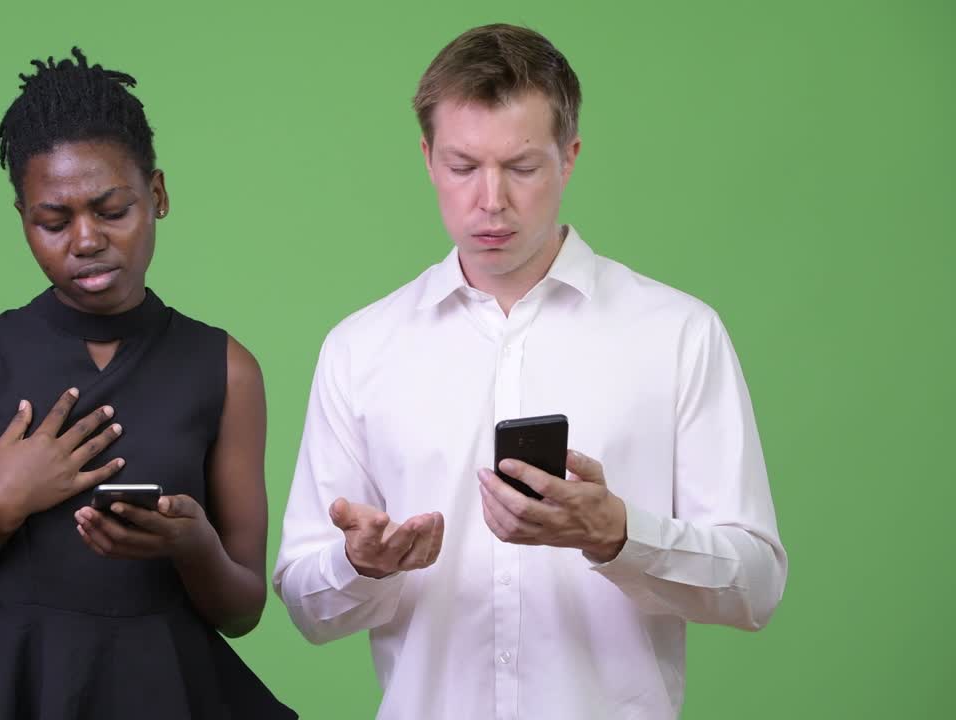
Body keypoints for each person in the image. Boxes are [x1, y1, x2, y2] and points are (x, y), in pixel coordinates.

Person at [273, 24, 787, 719]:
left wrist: (620, 534)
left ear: (568, 158)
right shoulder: (359, 350)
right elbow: (307, 608)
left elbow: (756, 587)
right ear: (427, 158)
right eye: (462, 166)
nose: (491, 200)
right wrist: (360, 565)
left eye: (521, 167)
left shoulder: (678, 334)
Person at [0, 47, 295, 719]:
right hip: (14, 685)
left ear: (156, 195)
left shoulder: (226, 369)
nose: (84, 240)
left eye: (111, 210)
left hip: (164, 690)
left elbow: (242, 610)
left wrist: (193, 544)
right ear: (23, 217)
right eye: (53, 221)